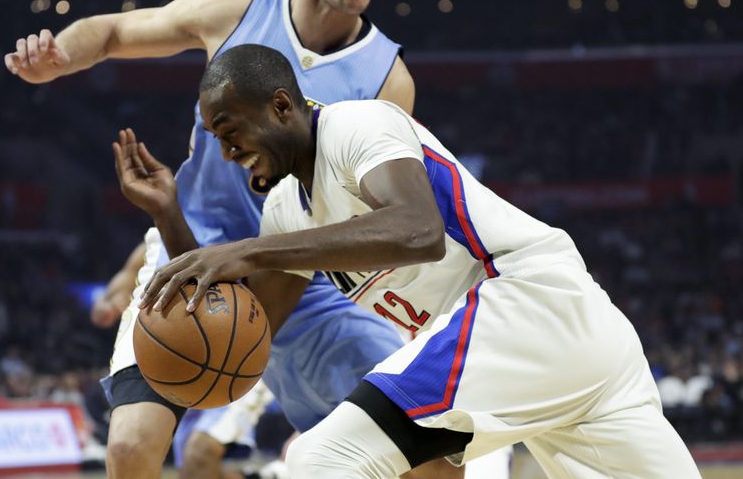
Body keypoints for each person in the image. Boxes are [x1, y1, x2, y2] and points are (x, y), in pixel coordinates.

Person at [6, 0, 465, 477]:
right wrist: (60, 56)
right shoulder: (232, 14)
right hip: (189, 253)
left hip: (302, 280)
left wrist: (255, 320)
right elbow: (115, 33)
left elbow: (358, 220)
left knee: (429, 454)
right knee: (130, 447)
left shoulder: (389, 79)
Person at [123, 43, 702, 478]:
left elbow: (418, 229)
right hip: (569, 347)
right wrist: (169, 216)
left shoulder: (356, 124)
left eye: (231, 131)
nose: (226, 152)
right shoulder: (283, 210)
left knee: (321, 463)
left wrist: (244, 248)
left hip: (523, 301)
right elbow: (246, 331)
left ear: (280, 106)